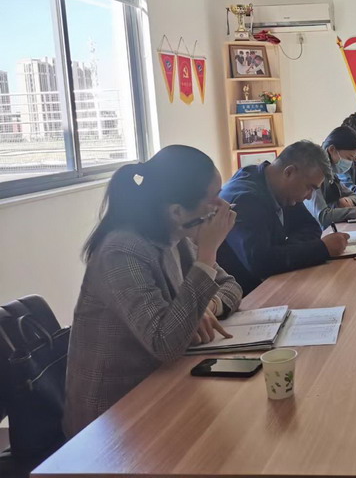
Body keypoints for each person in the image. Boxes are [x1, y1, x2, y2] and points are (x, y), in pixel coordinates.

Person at [64, 146, 243, 437]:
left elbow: (231, 285)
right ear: (177, 211)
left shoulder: (175, 236)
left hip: (167, 382)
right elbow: (165, 343)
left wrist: (208, 306)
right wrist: (207, 255)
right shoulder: (122, 251)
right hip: (113, 418)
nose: (222, 205)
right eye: (213, 197)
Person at [217, 141, 351, 295]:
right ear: (289, 172)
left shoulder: (280, 187)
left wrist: (282, 252)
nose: (309, 196)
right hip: (246, 296)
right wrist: (322, 248)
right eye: (309, 187)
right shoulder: (246, 199)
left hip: (273, 284)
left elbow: (311, 227)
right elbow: (260, 263)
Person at [304, 126, 356, 229]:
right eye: (349, 158)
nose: (350, 163)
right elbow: (323, 216)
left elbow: (354, 195)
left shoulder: (331, 172)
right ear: (332, 150)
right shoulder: (315, 172)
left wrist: (349, 200)